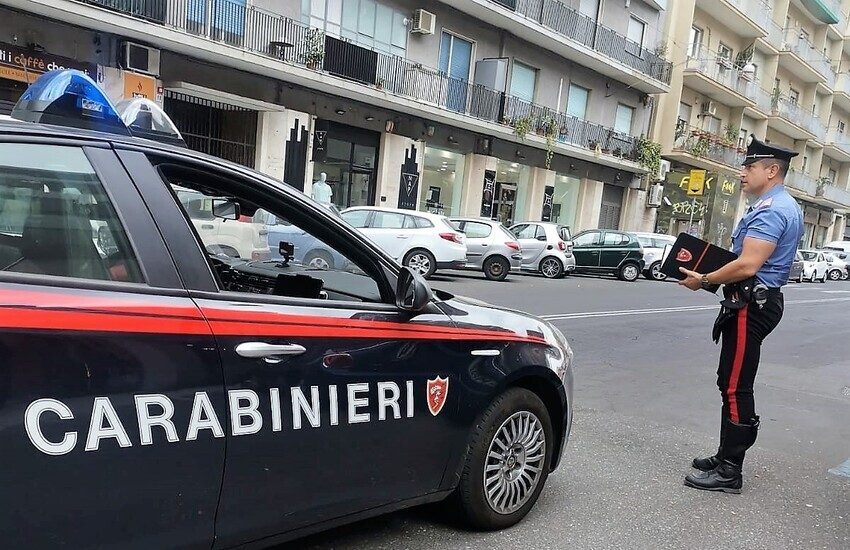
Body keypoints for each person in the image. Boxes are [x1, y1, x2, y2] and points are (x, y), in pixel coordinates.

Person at [677, 136, 804, 494]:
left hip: (752, 304)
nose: (743, 172)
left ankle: (731, 470)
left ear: (772, 170)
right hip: (750, 301)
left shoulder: (773, 210)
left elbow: (749, 263)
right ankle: (724, 456)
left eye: (750, 167)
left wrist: (703, 279)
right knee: (728, 382)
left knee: (735, 386)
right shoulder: (776, 204)